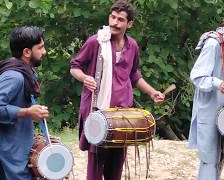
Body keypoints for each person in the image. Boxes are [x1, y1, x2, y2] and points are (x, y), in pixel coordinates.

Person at [70, 1, 165, 179]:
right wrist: (85, 78)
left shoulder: (133, 46)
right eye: (112, 17)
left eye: (120, 19)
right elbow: (74, 67)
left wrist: (152, 92)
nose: (115, 22)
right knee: (96, 165)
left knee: (116, 165)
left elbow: (134, 74)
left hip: (122, 114)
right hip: (97, 110)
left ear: (129, 24)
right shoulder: (95, 42)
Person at [188, 3, 224, 180]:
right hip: (209, 107)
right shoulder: (214, 43)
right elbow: (197, 76)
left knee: (221, 153)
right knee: (209, 156)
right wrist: (217, 82)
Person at [0, 26, 49, 180]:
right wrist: (27, 112)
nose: (44, 52)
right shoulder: (14, 76)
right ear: (27, 52)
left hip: (16, 151)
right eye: (40, 47)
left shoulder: (25, 73)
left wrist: (31, 112)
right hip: (5, 156)